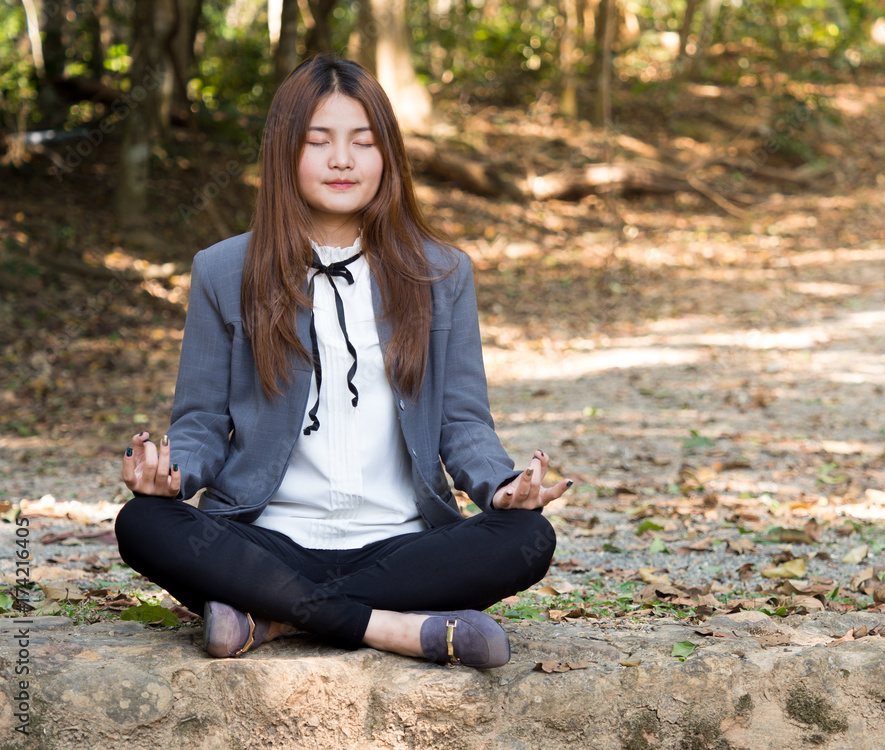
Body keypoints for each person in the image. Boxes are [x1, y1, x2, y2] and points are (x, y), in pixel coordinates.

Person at [113, 55, 570, 669]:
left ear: (388, 156)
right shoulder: (223, 270)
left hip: (402, 547)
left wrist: (503, 487)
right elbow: (198, 425)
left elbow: (464, 424)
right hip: (267, 539)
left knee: (529, 539)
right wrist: (173, 476)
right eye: (318, 141)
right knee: (144, 523)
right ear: (283, 154)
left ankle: (270, 616)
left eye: (364, 141)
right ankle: (399, 629)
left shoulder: (440, 273)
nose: (342, 160)